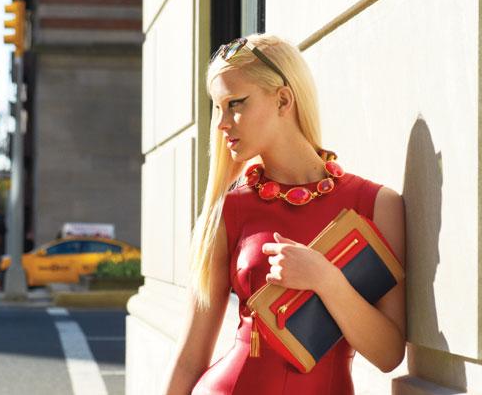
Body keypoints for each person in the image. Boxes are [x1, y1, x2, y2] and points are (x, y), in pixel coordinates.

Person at [163, 34, 406, 395]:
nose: (222, 124)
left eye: (235, 103)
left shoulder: (377, 205)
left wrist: (325, 279)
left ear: (283, 99)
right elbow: (190, 358)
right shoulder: (227, 212)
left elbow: (389, 354)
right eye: (218, 107)